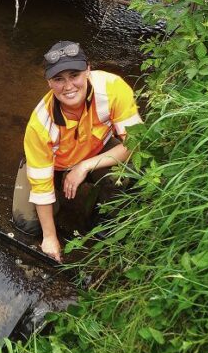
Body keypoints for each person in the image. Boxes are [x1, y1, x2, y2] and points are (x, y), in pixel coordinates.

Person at [11, 41, 143, 262]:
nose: (68, 86)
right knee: (27, 224)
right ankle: (46, 181)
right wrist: (50, 238)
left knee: (126, 174)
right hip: (53, 164)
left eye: (74, 75)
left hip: (95, 153)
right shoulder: (40, 124)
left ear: (88, 70)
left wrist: (85, 166)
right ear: (48, 82)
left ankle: (101, 224)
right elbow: (41, 188)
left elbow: (136, 144)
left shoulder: (113, 88)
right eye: (58, 79)